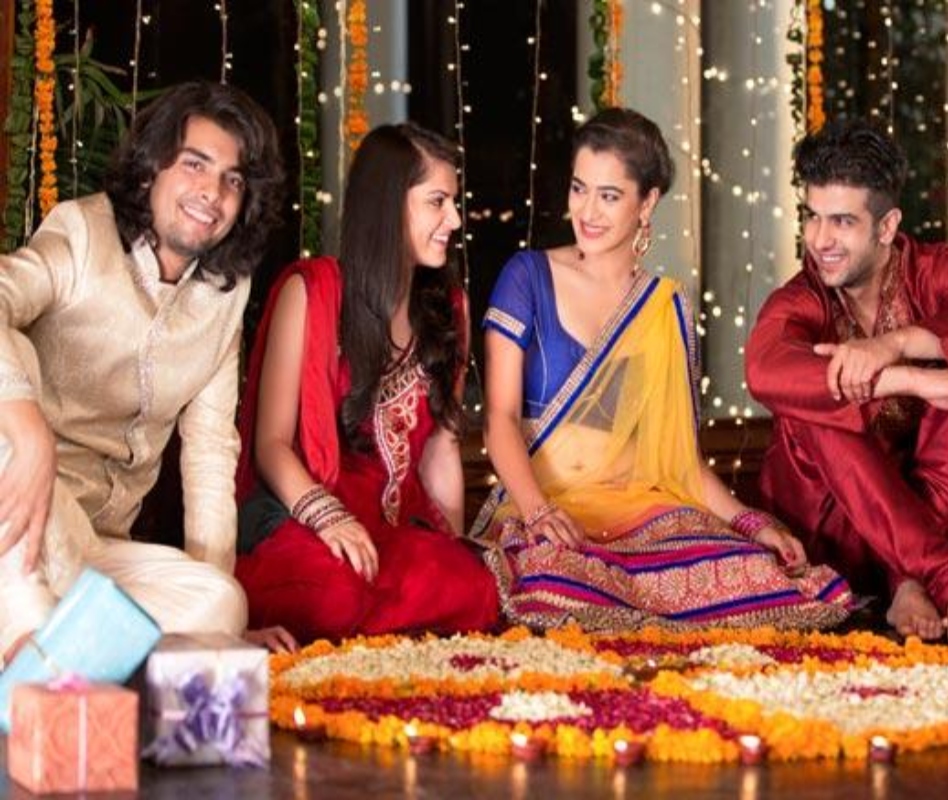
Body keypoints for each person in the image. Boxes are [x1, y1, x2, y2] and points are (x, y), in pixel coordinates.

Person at [474, 107, 857, 630]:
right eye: (579, 189)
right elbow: (499, 419)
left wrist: (751, 523)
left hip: (640, 511)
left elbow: (683, 464)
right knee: (553, 581)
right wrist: (538, 511)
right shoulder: (528, 276)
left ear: (647, 202)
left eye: (610, 196)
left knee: (754, 572)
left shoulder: (663, 305)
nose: (587, 211)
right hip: (546, 508)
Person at [0, 81, 288, 662]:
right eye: (194, 165)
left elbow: (210, 452)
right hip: (25, 518)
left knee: (219, 599)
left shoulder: (224, 293)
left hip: (99, 558)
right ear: (152, 167)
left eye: (232, 180)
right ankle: (41, 656)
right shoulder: (82, 233)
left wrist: (220, 632)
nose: (212, 193)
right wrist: (30, 434)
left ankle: (56, 650)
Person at [744, 120, 948, 644]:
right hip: (838, 531)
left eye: (842, 221)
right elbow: (763, 368)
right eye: (812, 217)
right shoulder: (804, 297)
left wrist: (897, 345)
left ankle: (909, 580)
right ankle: (943, 578)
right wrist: (907, 380)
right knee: (812, 402)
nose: (820, 240)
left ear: (886, 226)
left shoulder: (932, 271)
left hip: (942, 512)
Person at [233, 123, 500, 643]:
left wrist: (450, 548)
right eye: (438, 202)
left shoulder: (448, 310)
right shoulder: (312, 291)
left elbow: (440, 448)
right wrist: (328, 518)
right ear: (388, 204)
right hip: (302, 521)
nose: (454, 219)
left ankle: (371, 620)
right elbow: (270, 445)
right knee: (334, 593)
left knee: (476, 589)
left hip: (388, 532)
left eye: (453, 202)